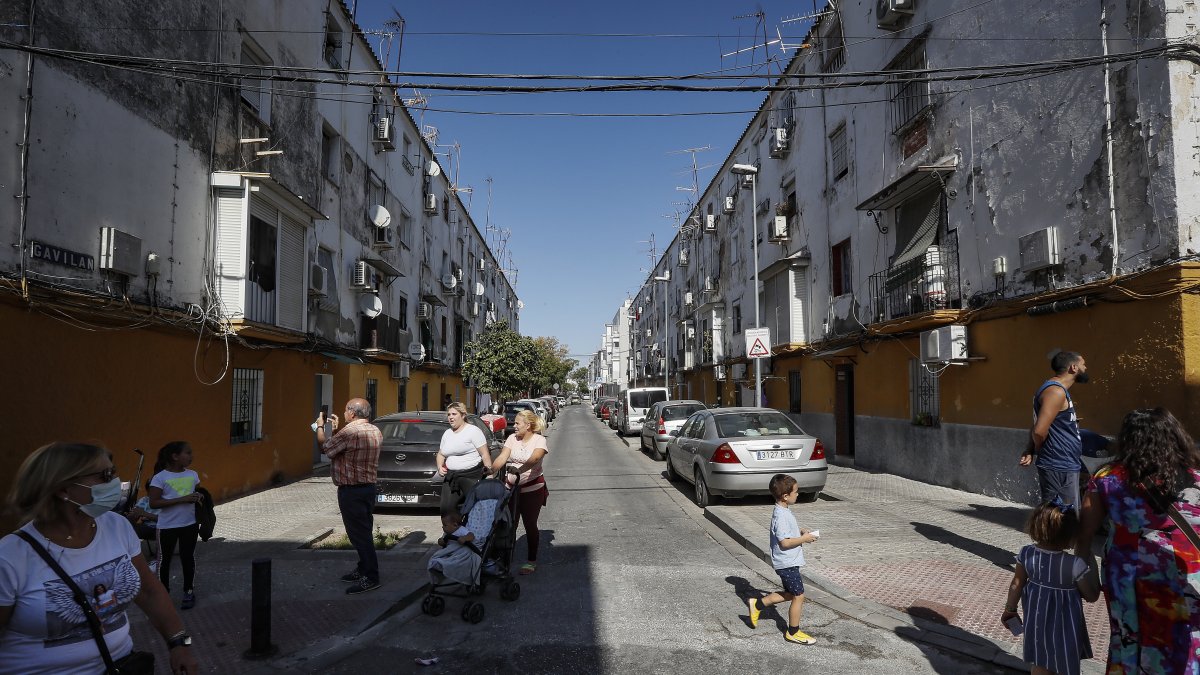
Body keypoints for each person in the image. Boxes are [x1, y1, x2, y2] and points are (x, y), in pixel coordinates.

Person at [0, 442, 198, 674]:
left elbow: (149, 591)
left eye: (113, 472)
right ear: (63, 490)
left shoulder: (117, 526)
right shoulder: (10, 556)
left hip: (121, 665)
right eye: (105, 476)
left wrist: (179, 643)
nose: (115, 482)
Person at [1076, 407, 1200, 674]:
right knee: (1186, 638)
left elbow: (1084, 534)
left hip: (1130, 575)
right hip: (1187, 571)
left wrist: (1082, 576)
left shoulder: (1107, 479)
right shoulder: (1195, 478)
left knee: (1131, 638)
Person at [1001, 499, 1100, 675]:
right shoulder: (1074, 564)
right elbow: (1091, 596)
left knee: (1040, 662)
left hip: (1037, 623)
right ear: (1070, 537)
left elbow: (1017, 582)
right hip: (1065, 628)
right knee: (1064, 662)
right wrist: (1092, 566)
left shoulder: (1026, 553)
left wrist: (1010, 609)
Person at [316, 398, 383, 595]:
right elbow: (344, 450)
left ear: (352, 413)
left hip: (351, 491)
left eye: (346, 410)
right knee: (364, 531)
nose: (344, 413)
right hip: (368, 488)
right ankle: (363, 568)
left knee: (359, 535)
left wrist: (320, 427)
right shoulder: (375, 430)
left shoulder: (349, 432)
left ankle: (371, 576)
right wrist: (337, 431)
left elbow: (326, 449)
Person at [745, 474, 819, 645]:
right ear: (785, 496)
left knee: (790, 594)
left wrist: (800, 532)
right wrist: (804, 539)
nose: (798, 494)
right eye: (796, 491)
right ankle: (793, 632)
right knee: (798, 596)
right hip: (787, 563)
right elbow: (784, 543)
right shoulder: (781, 515)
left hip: (788, 562)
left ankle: (757, 605)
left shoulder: (783, 510)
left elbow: (786, 533)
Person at [1021, 350, 1089, 506]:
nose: (1085, 368)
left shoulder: (1057, 390)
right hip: (1058, 462)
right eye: (1083, 364)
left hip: (1064, 461)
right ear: (1073, 367)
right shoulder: (1055, 392)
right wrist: (1039, 448)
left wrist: (1030, 449)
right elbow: (1039, 431)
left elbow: (1039, 422)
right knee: (1059, 514)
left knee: (1064, 512)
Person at [492, 409, 549, 575]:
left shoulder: (539, 440)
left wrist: (519, 470)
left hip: (532, 488)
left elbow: (535, 459)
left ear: (528, 425)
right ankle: (505, 558)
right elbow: (502, 457)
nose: (514, 426)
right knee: (510, 524)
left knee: (530, 524)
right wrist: (491, 470)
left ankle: (531, 561)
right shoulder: (512, 438)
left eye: (517, 423)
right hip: (511, 488)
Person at [147, 441, 202, 610]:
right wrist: (182, 499)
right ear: (175, 456)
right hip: (167, 526)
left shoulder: (193, 475)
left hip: (190, 524)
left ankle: (189, 591)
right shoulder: (160, 478)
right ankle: (163, 594)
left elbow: (196, 493)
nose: (191, 456)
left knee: (188, 558)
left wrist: (199, 497)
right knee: (164, 561)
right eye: (188, 453)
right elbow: (154, 503)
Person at [436, 402, 493, 516]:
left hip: (471, 476)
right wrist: (439, 466)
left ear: (463, 415)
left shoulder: (473, 431)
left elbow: (485, 454)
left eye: (454, 414)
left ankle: (472, 527)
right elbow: (441, 454)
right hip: (452, 477)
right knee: (446, 510)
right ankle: (453, 528)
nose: (450, 417)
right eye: (449, 414)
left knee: (475, 510)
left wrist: (489, 475)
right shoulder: (447, 433)